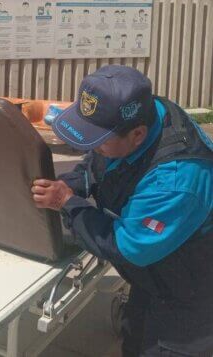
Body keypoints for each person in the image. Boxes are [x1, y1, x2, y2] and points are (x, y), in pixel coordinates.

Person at [31, 65, 213, 356]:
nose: (91, 146)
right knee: (134, 337)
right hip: (154, 276)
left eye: (97, 140)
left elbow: (126, 246)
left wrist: (68, 203)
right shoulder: (142, 113)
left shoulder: (174, 183)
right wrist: (71, 184)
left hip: (190, 293)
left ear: (138, 135)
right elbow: (98, 163)